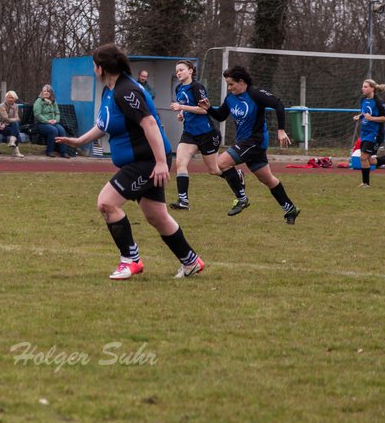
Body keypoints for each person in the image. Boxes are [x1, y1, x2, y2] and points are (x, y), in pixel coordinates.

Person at [59, 44, 204, 280]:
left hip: (146, 161)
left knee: (106, 203)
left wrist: (159, 163)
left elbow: (150, 124)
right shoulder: (111, 90)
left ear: (101, 68)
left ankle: (130, 260)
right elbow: (104, 125)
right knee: (156, 215)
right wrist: (78, 141)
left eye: (95, 65)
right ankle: (191, 261)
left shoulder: (126, 91)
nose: (93, 69)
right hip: (141, 161)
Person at [199, 66, 300, 223]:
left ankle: (242, 198)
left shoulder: (255, 94)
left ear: (241, 81)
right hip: (245, 143)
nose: (229, 88)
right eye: (228, 84)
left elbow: (278, 105)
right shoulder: (230, 98)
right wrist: (209, 109)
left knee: (222, 163)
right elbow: (220, 116)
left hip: (255, 141)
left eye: (231, 84)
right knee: (267, 179)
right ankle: (290, 208)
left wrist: (281, 131)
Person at [166, 59, 226, 209]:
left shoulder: (197, 87)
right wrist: (181, 113)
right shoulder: (179, 88)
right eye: (177, 70)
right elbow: (185, 106)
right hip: (189, 134)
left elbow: (204, 110)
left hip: (206, 133)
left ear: (191, 71)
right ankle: (183, 201)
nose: (178, 72)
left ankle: (235, 177)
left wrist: (181, 106)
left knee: (214, 170)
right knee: (180, 163)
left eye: (181, 69)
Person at [352, 79, 385, 186]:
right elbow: (365, 113)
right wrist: (359, 116)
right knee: (369, 160)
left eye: (365, 87)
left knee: (363, 158)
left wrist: (372, 118)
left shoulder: (378, 102)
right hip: (365, 132)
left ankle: (365, 184)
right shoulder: (363, 99)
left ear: (372, 88)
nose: (363, 88)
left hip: (375, 133)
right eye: (363, 86)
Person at [33, 84, 73, 157]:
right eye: (44, 91)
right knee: (53, 130)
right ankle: (49, 151)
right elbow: (37, 114)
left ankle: (63, 152)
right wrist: (47, 121)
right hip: (42, 123)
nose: (46, 93)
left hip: (53, 122)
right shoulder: (39, 101)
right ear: (42, 92)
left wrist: (56, 120)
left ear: (51, 93)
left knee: (61, 130)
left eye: (48, 91)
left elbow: (57, 113)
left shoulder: (53, 101)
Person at [0, 91, 24, 157]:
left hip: (10, 126)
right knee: (16, 131)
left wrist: (7, 123)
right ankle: (15, 152)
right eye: (9, 97)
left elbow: (17, 118)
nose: (10, 99)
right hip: (1, 127)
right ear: (6, 98)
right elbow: (6, 118)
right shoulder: (2, 106)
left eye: (12, 98)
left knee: (15, 124)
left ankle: (12, 140)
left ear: (15, 99)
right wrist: (5, 124)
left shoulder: (16, 106)